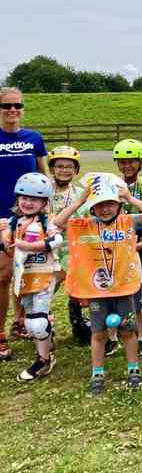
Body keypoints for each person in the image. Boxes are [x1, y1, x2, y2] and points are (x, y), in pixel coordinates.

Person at [53, 177, 142, 394]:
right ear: (92, 208)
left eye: (110, 203)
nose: (105, 209)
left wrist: (129, 198)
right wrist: (79, 201)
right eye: (99, 205)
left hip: (124, 288)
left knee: (128, 331)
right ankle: (97, 372)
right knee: (99, 333)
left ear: (118, 205)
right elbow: (58, 223)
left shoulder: (127, 222)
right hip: (97, 291)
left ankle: (133, 369)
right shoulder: (85, 225)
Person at [0, 87, 48, 360]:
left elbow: (43, 175)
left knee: (26, 273)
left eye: (17, 105)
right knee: (3, 275)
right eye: (7, 106)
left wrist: (45, 212)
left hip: (28, 218)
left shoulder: (34, 138)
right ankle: (0, 334)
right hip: (1, 217)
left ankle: (20, 322)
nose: (12, 110)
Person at [0, 173, 62, 381]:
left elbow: (56, 240)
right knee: (29, 321)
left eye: (34, 199)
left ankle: (43, 360)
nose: (27, 203)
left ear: (44, 202)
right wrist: (5, 240)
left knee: (37, 322)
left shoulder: (47, 221)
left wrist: (29, 246)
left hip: (44, 276)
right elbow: (9, 247)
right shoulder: (15, 221)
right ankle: (46, 347)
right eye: (24, 198)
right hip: (24, 277)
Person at [112, 139, 142, 358]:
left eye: (131, 162)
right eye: (122, 162)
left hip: (137, 235)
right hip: (114, 238)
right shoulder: (113, 182)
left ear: (140, 162)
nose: (126, 166)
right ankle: (114, 329)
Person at [46, 145, 90, 345]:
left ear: (76, 170)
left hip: (73, 249)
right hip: (48, 250)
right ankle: (44, 326)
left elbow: (87, 221)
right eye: (60, 166)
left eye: (69, 167)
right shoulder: (44, 191)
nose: (64, 170)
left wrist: (65, 224)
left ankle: (78, 322)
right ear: (52, 169)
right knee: (46, 289)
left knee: (78, 289)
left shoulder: (81, 193)